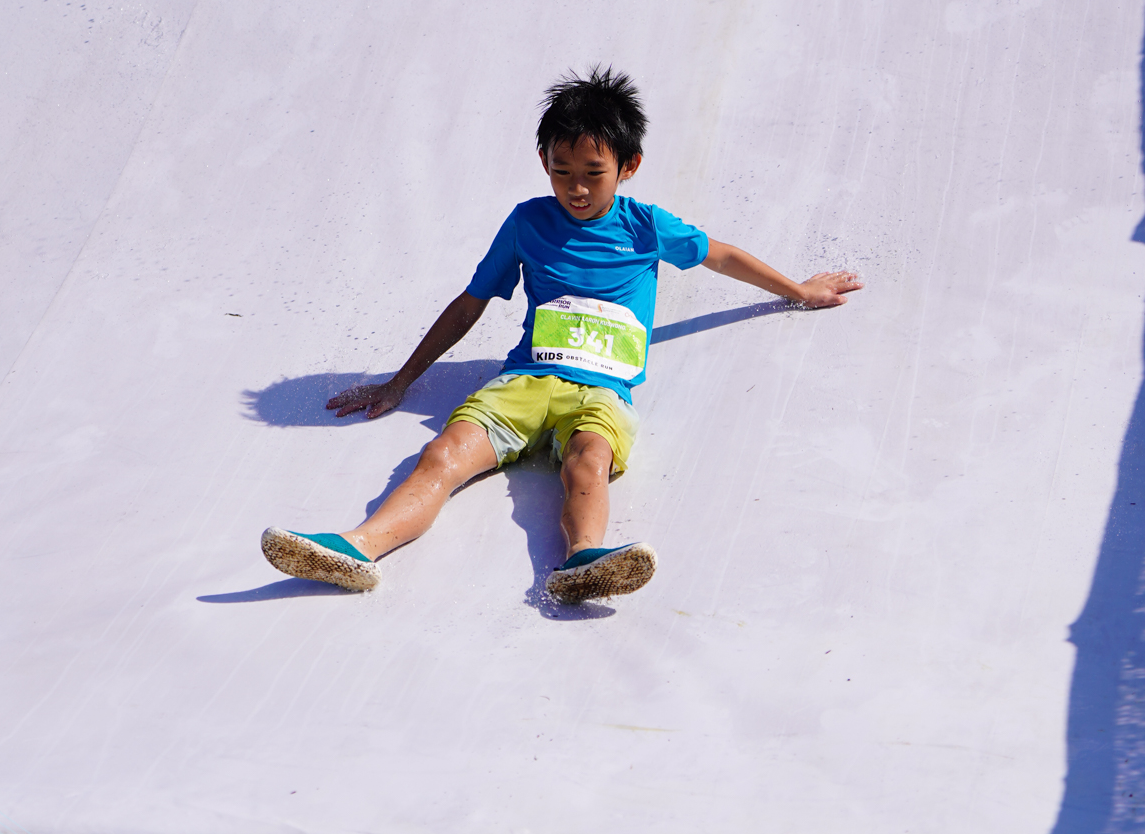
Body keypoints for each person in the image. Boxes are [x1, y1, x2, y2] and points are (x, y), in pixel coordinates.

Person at [262, 68, 861, 603]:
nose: (576, 188)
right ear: (543, 161)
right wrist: (399, 383)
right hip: (524, 381)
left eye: (594, 174)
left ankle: (582, 561)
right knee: (442, 455)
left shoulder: (646, 226)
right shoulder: (528, 221)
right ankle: (358, 547)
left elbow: (720, 256)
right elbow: (471, 302)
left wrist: (799, 290)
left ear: (628, 167)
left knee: (587, 462)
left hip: (600, 392)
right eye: (561, 172)